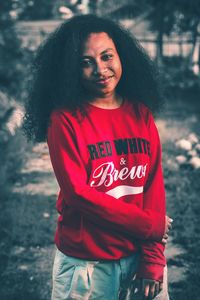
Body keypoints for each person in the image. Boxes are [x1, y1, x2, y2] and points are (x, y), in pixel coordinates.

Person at [23, 14, 173, 300]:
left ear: (122, 56)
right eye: (85, 62)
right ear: (69, 69)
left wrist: (153, 260)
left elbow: (152, 186)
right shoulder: (64, 120)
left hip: (138, 257)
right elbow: (79, 194)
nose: (100, 69)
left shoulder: (140, 114)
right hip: (85, 267)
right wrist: (149, 226)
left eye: (107, 57)